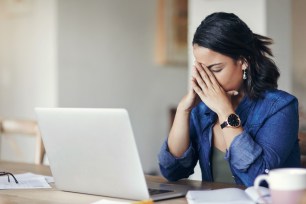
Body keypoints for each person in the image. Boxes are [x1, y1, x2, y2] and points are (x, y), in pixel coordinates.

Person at [158, 12, 301, 187]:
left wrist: (225, 111)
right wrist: (183, 110)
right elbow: (172, 171)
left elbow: (256, 179)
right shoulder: (202, 110)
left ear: (243, 62)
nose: (208, 79)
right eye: (203, 70)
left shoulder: (280, 107)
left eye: (216, 69)